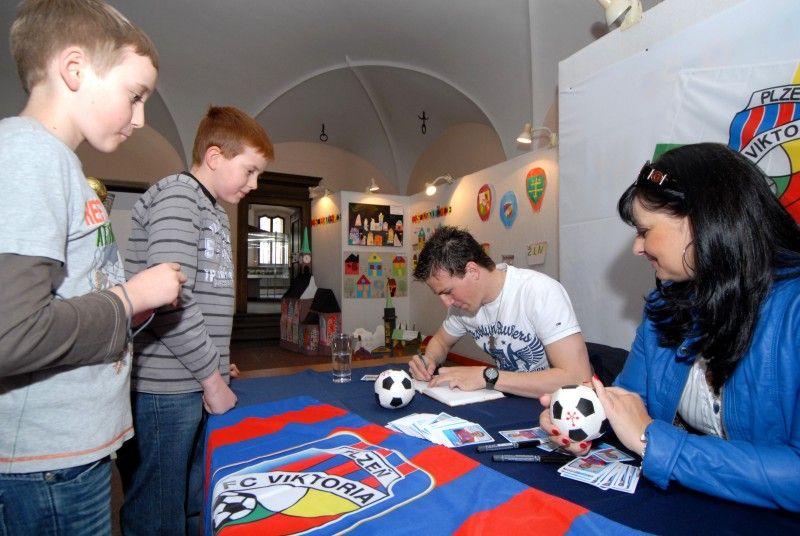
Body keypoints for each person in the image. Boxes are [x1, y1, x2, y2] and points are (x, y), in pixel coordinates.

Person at [0, 1, 187, 534]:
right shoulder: (28, 155)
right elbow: (10, 332)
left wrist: (134, 303)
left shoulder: (61, 164)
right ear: (75, 69)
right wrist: (131, 297)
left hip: (68, 456)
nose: (142, 117)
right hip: (45, 466)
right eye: (135, 95)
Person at [540, 143, 800, 511]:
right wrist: (583, 416)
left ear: (703, 221)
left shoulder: (793, 310)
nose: (637, 247)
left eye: (645, 231)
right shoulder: (664, 306)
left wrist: (653, 442)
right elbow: (631, 404)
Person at [117, 105, 274, 535]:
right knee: (158, 512)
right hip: (166, 389)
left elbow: (207, 300)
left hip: (194, 377)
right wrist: (212, 378)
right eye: (249, 170)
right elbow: (172, 304)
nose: (253, 183)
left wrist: (219, 366)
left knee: (193, 500)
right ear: (216, 156)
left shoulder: (214, 210)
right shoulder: (178, 196)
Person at [408, 226, 592, 398]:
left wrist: (487, 377)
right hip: (511, 397)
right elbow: (441, 341)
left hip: (558, 407)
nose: (447, 303)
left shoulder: (539, 292)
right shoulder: (461, 307)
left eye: (448, 292)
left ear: (472, 271)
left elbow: (578, 378)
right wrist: (429, 359)